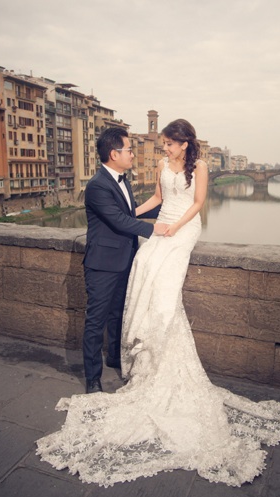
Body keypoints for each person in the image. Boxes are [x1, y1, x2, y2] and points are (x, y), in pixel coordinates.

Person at [36, 119, 280, 487]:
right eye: (155, 145)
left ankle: (145, 346)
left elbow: (198, 203)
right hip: (158, 228)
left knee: (163, 294)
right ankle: (133, 358)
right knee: (143, 265)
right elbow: (158, 201)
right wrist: (143, 221)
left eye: (167, 145)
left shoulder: (202, 167)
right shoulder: (147, 172)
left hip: (185, 227)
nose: (161, 149)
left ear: (183, 143)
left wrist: (172, 227)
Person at [80, 127, 168, 394]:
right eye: (129, 150)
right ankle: (93, 379)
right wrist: (154, 230)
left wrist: (174, 205)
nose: (132, 154)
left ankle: (115, 359)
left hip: (125, 260)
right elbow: (119, 220)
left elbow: (130, 211)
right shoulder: (97, 186)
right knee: (96, 321)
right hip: (103, 264)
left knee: (119, 315)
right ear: (113, 153)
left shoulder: (122, 180)